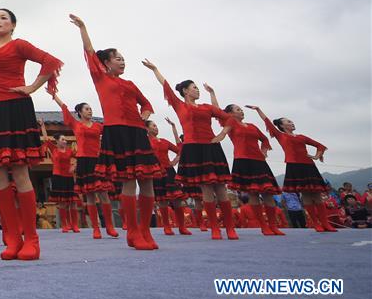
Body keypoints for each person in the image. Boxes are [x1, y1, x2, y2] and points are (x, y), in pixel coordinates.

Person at [0, 6, 62, 260]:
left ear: (13, 25)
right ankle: (13, 238)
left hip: (15, 107)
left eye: (3, 18)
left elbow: (50, 61)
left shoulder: (19, 45)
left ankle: (32, 240)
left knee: (19, 170)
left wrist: (32, 87)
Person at [69, 14, 161, 251]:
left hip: (137, 133)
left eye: (123, 59)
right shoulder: (100, 78)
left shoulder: (130, 84)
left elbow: (147, 103)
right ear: (106, 63)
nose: (122, 62)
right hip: (116, 131)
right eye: (118, 58)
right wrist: (83, 28)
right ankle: (132, 231)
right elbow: (89, 50)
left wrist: (145, 116)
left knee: (148, 182)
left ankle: (145, 230)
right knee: (129, 182)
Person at [142, 61, 236, 241]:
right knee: (206, 189)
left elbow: (228, 119)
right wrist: (155, 69)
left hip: (211, 147)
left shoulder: (207, 108)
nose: (197, 90)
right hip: (193, 148)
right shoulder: (179, 105)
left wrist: (222, 134)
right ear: (185, 91)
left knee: (221, 189)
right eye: (194, 88)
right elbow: (166, 86)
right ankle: (215, 229)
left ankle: (230, 228)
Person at [248, 106, 336, 232]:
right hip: (294, 166)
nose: (291, 123)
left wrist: (316, 156)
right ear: (282, 126)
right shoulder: (280, 135)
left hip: (309, 166)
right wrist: (258, 110)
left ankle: (325, 223)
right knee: (305, 194)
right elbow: (267, 122)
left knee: (317, 195)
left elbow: (320, 145)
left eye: (291, 121)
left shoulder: (301, 137)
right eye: (288, 121)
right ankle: (316, 224)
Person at [210, 104, 284, 236]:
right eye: (238, 110)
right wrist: (212, 93)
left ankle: (273, 225)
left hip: (259, 162)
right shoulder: (231, 124)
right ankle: (263, 226)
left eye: (241, 110)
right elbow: (218, 110)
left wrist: (264, 152)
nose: (241, 111)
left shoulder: (252, 126)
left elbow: (265, 139)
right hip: (243, 160)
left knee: (268, 194)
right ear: (231, 114)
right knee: (253, 194)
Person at [52, 96, 118, 239]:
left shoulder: (98, 126)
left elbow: (111, 131)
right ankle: (96, 228)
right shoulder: (76, 125)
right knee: (90, 196)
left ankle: (110, 226)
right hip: (84, 161)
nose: (90, 111)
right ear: (80, 112)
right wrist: (54, 96)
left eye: (90, 109)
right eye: (87, 109)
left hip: (98, 160)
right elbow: (64, 109)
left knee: (104, 194)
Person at [146, 118, 190, 235]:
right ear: (147, 129)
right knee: (163, 200)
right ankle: (166, 226)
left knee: (177, 199)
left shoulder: (164, 141)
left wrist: (175, 160)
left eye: (156, 125)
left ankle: (182, 227)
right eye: (153, 126)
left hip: (169, 171)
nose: (156, 127)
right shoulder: (146, 141)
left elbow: (179, 150)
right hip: (156, 172)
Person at [38, 120, 78, 233]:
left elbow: (79, 156)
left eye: (65, 139)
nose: (65, 141)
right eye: (63, 139)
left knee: (73, 201)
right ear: (57, 141)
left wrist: (74, 165)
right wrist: (42, 126)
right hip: (58, 177)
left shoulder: (70, 151)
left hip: (69, 177)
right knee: (62, 202)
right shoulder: (54, 149)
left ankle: (74, 224)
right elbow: (45, 138)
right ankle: (65, 225)